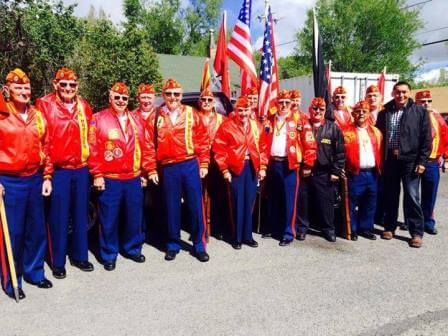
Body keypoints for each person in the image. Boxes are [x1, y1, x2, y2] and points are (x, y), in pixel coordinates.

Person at [36, 68, 94, 279]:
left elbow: (91, 138)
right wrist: (47, 174)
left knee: (81, 214)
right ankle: (58, 261)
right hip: (58, 170)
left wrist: (92, 168)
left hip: (80, 168)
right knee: (58, 217)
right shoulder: (44, 105)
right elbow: (44, 142)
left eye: (72, 85)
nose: (68, 88)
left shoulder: (84, 106)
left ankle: (80, 256)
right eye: (64, 84)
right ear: (55, 84)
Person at [143, 79, 210, 262]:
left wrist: (203, 164)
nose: (173, 97)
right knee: (171, 207)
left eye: (177, 94)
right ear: (162, 95)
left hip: (189, 164)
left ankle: (199, 245)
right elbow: (148, 145)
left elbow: (203, 140)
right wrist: (151, 170)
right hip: (168, 167)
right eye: (169, 94)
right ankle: (173, 244)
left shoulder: (192, 113)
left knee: (196, 207)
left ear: (181, 96)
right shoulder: (155, 116)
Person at [0, 69, 53, 299]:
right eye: (18, 87)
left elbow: (47, 147)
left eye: (26, 88)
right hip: (9, 180)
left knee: (36, 229)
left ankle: (35, 272)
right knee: (14, 232)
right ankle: (12, 279)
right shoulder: (1, 114)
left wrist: (47, 176)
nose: (23, 91)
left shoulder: (37, 115)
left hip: (34, 178)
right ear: (7, 89)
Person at [88, 82, 146, 270]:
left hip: (133, 177)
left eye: (124, 98)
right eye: (117, 97)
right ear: (110, 98)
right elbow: (92, 149)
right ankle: (109, 254)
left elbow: (145, 147)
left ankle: (132, 248)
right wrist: (96, 174)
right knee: (109, 218)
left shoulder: (136, 119)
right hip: (110, 178)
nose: (121, 101)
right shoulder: (98, 119)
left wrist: (145, 171)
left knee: (133, 217)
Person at [376, 81, 431, 248]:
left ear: (409, 92)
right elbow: (378, 136)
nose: (401, 95)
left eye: (404, 92)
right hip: (390, 160)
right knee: (390, 195)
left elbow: (426, 139)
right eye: (398, 92)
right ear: (393, 93)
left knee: (412, 196)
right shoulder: (384, 112)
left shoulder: (420, 112)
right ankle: (389, 227)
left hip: (410, 160)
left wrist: (422, 161)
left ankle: (416, 233)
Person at [262, 90, 316, 245]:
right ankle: (274, 228)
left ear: (291, 103)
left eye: (287, 102)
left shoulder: (300, 120)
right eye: (281, 102)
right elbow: (263, 143)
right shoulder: (269, 120)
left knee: (289, 200)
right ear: (276, 103)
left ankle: (288, 233)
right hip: (273, 163)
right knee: (273, 198)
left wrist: (308, 164)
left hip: (290, 165)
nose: (284, 105)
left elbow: (310, 143)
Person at [213, 96, 267, 249]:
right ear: (236, 111)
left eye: (246, 110)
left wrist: (262, 167)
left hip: (251, 167)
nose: (243, 113)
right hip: (235, 167)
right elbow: (219, 150)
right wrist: (224, 170)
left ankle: (247, 236)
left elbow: (262, 148)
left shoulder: (257, 126)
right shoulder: (226, 126)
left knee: (249, 201)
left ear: (251, 110)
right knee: (237, 202)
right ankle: (236, 237)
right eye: (240, 110)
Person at [296, 97, 345, 242]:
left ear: (325, 111)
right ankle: (302, 228)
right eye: (315, 108)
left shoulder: (333, 128)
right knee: (303, 201)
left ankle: (328, 229)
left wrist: (336, 172)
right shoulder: (301, 125)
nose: (317, 111)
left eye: (321, 109)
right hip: (304, 171)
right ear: (310, 109)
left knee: (326, 202)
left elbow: (340, 152)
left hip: (324, 172)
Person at [342, 100, 382, 241]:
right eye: (358, 111)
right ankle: (352, 229)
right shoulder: (345, 131)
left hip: (372, 173)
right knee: (352, 203)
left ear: (368, 113)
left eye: (364, 111)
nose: (361, 114)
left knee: (369, 202)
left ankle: (366, 228)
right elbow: (340, 153)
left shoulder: (376, 132)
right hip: (354, 173)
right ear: (353, 114)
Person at [415, 90, 448, 235]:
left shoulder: (438, 118)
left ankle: (428, 222)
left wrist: (446, 158)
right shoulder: (412, 117)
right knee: (412, 195)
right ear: (416, 102)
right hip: (416, 162)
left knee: (430, 194)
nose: (426, 104)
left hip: (432, 162)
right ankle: (413, 221)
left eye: (428, 101)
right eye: (423, 101)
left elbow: (445, 138)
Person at [197, 89, 227, 240]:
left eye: (209, 100)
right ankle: (201, 228)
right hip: (199, 162)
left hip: (217, 161)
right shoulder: (194, 118)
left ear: (213, 102)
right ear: (200, 102)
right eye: (204, 100)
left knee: (217, 195)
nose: (207, 102)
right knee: (201, 196)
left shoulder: (222, 119)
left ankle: (217, 227)